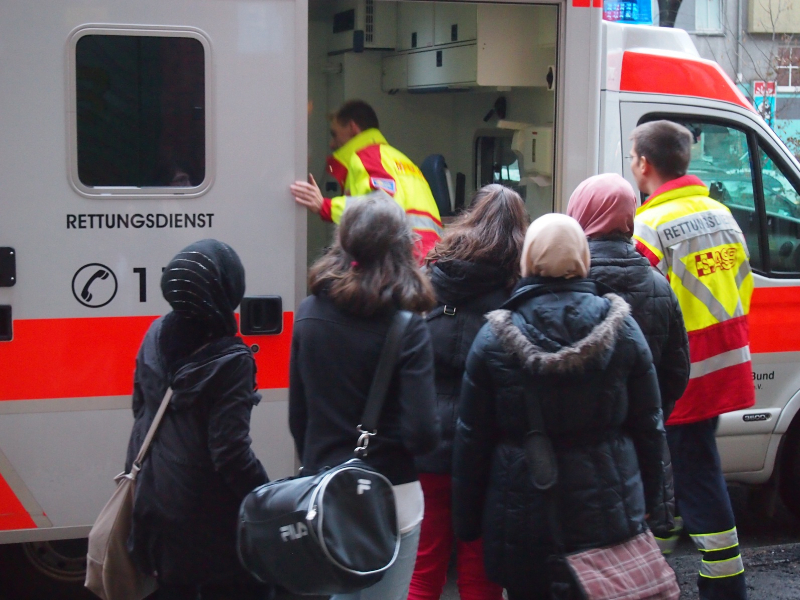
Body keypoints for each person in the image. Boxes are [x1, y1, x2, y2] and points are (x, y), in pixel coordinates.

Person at [452, 214, 666, 600]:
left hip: (521, 508)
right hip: (608, 504)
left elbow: (472, 440)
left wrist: (468, 521)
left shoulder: (493, 338)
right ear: (582, 257)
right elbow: (648, 424)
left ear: (528, 259)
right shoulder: (624, 330)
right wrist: (651, 501)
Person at [288, 191, 441, 600]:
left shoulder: (308, 313)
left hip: (322, 487)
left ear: (344, 240)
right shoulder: (407, 325)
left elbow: (297, 417)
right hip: (391, 494)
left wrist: (321, 460)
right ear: (401, 247)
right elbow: (422, 431)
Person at [630, 120, 754, 600]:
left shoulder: (651, 225)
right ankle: (655, 561)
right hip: (723, 362)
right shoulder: (721, 213)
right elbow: (742, 284)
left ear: (644, 163)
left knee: (695, 473)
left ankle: (725, 585)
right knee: (681, 467)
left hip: (682, 373)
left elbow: (641, 307)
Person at [124, 239, 270, 600]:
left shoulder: (155, 333)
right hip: (207, 519)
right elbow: (231, 453)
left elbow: (140, 408)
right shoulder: (232, 360)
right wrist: (265, 497)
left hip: (155, 497)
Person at [408, 185, 528, 600]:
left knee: (424, 565)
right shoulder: (519, 292)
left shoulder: (431, 277)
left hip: (429, 444)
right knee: (481, 570)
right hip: (488, 450)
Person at [567, 173, 691, 551]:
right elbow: (676, 374)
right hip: (637, 450)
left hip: (571, 452)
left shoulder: (567, 276)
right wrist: (647, 411)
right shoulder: (658, 284)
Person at [290, 99, 443, 261]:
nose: (332, 143)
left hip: (404, 259)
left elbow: (380, 209)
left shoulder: (369, 157)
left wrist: (324, 206)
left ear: (352, 128)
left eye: (334, 134)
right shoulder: (399, 159)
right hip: (427, 260)